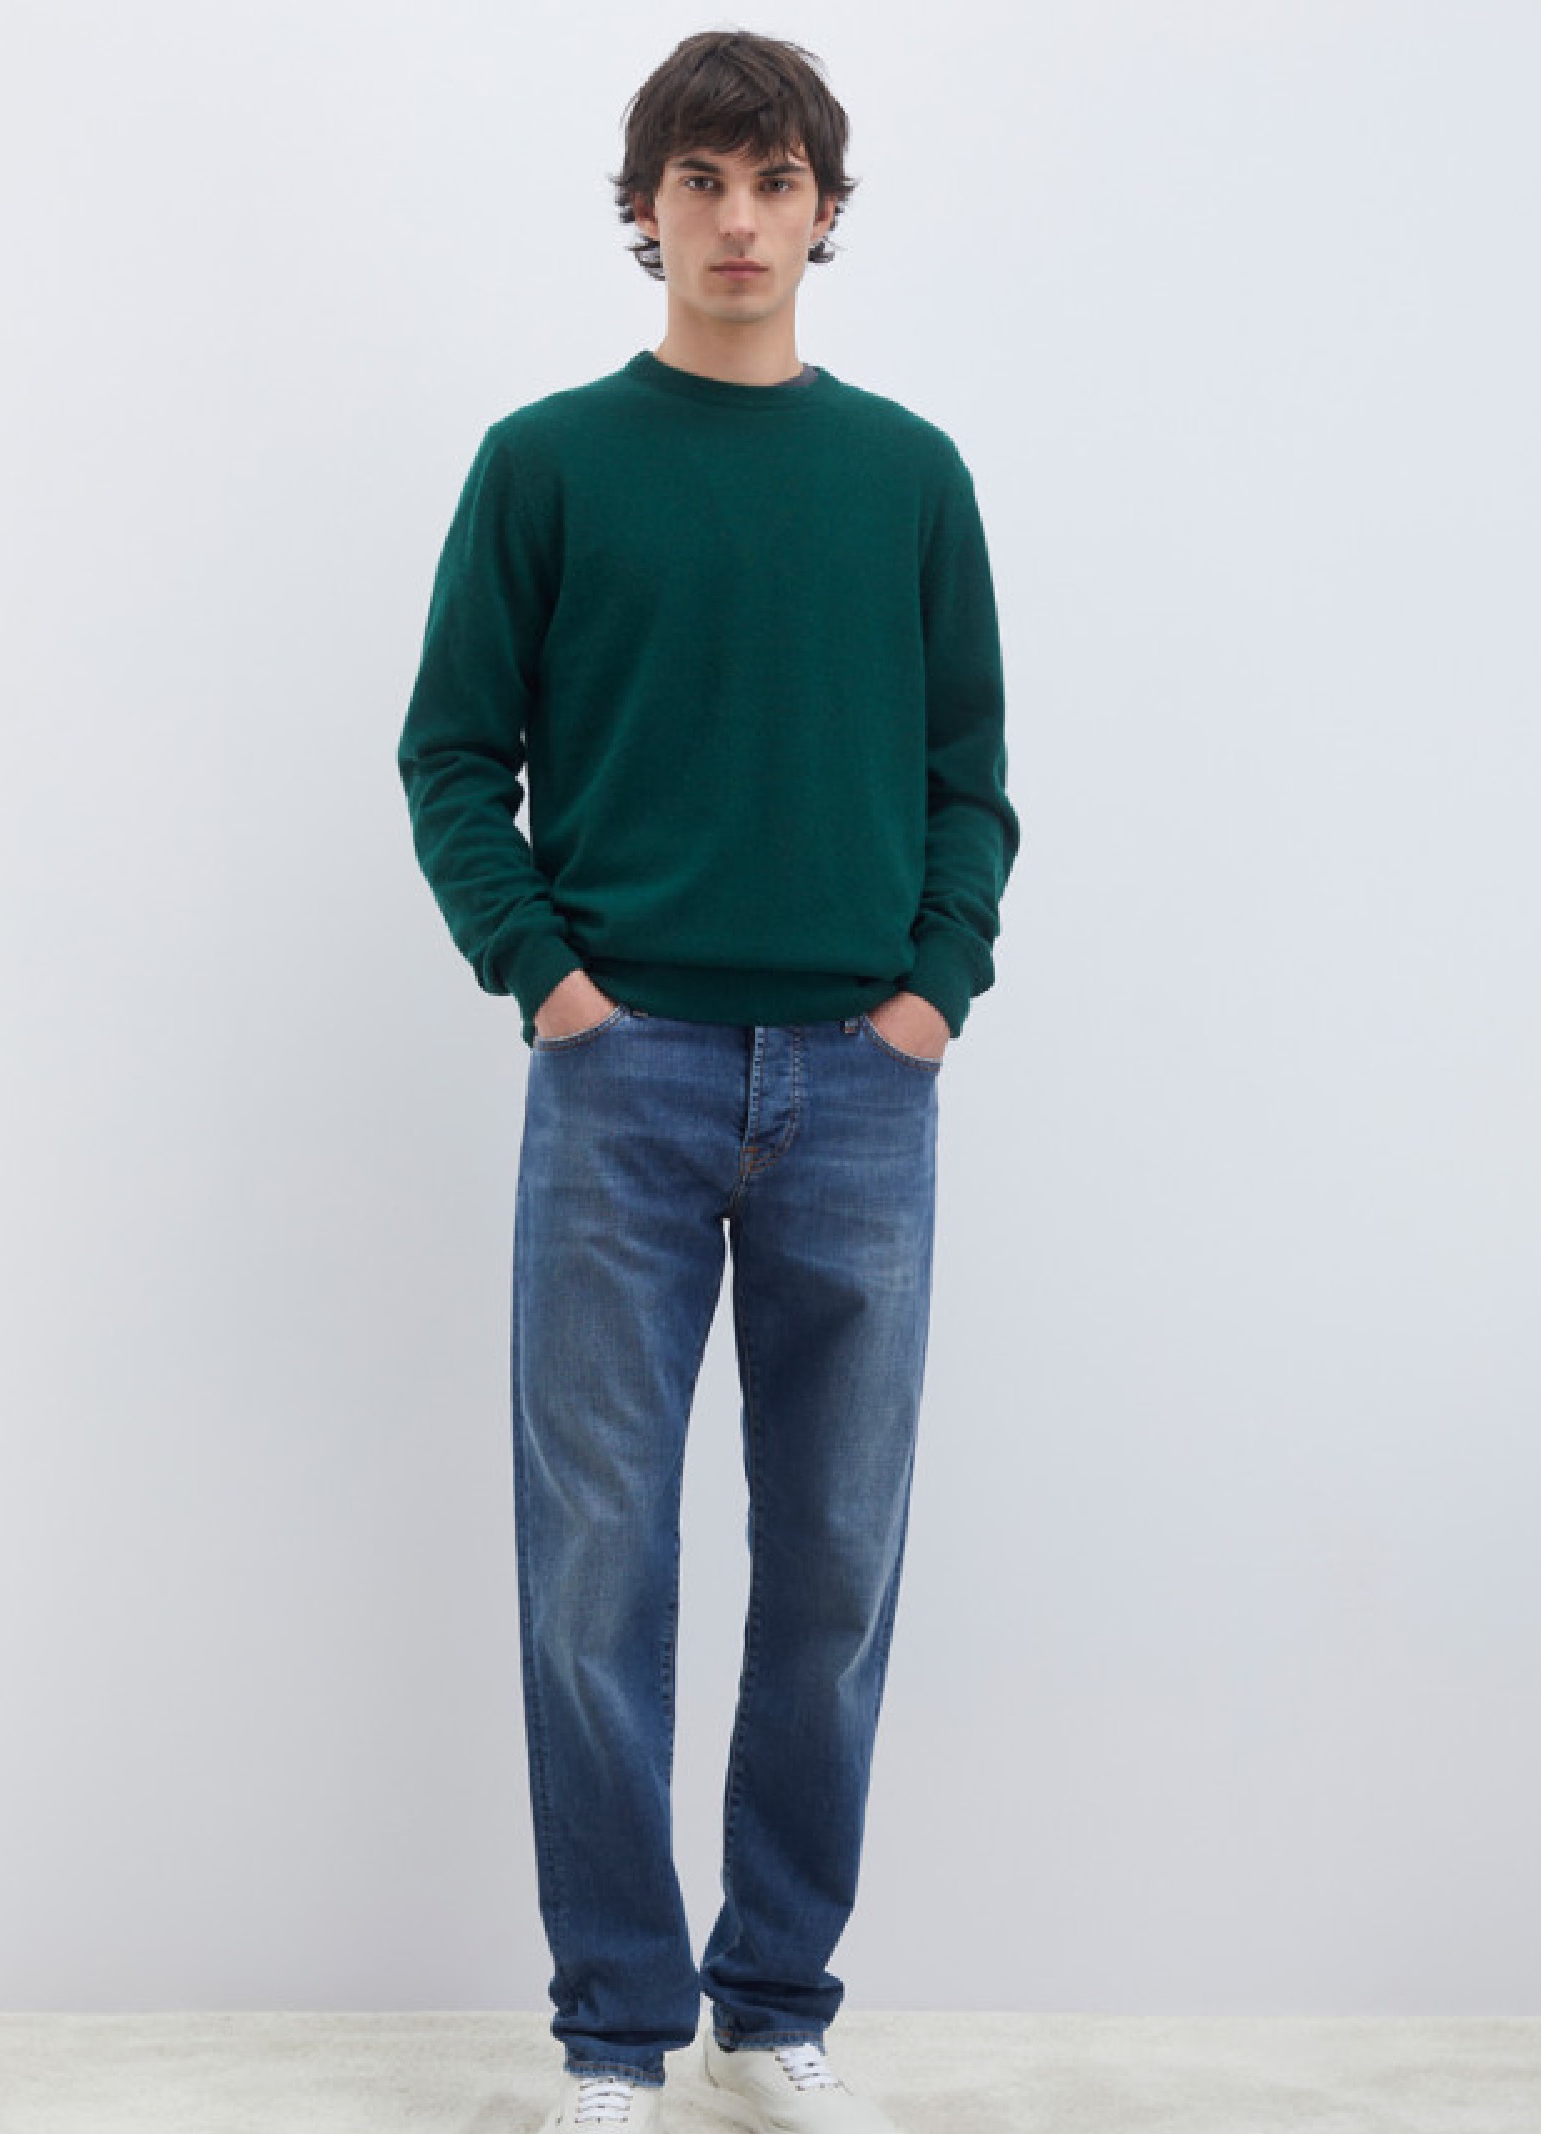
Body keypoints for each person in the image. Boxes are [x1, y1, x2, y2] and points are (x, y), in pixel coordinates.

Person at [397, 29, 1017, 2133]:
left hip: (862, 1085)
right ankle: (611, 2032)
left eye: (773, 182)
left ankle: (772, 2006)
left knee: (834, 1564)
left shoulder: (909, 477)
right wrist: (547, 976)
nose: (737, 220)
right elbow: (450, 753)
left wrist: (932, 989)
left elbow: (967, 776)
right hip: (621, 1077)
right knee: (597, 1566)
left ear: (822, 212)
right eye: (700, 180)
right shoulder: (547, 463)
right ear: (644, 205)